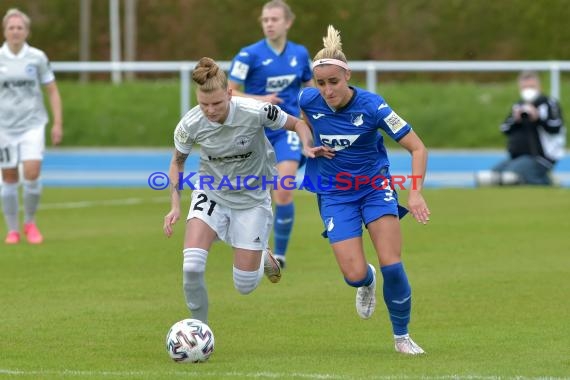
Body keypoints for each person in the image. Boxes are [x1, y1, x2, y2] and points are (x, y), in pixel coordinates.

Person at [298, 26, 430, 355]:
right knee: (354, 274)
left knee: (392, 263)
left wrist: (414, 193)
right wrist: (308, 144)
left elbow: (418, 148)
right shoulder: (307, 99)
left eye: (334, 82)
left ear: (348, 77)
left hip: (374, 188)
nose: (327, 90)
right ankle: (365, 282)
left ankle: (402, 337)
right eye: (321, 83)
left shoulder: (373, 107)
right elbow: (302, 120)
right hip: (334, 192)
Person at [162, 57, 315, 325]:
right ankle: (200, 330)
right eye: (203, 104)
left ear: (230, 94)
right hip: (211, 192)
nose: (209, 110)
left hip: (252, 200)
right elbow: (177, 162)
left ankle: (261, 254)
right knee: (192, 267)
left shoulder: (257, 111)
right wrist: (175, 205)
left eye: (217, 104)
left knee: (245, 286)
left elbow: (298, 124)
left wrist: (305, 146)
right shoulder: (190, 124)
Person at [228, 0, 314, 269]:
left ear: (287, 22)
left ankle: (280, 255)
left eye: (274, 19)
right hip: (254, 132)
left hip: (286, 129)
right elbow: (229, 91)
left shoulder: (300, 54)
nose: (269, 24)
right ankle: (242, 240)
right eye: (265, 20)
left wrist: (313, 125)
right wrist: (261, 98)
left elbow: (310, 92)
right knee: (246, 193)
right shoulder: (248, 55)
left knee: (284, 189)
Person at [0, 8, 63, 244]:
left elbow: (52, 90)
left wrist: (57, 123)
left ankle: (30, 222)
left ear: (26, 31)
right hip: (4, 128)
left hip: (32, 125)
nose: (15, 31)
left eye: (19, 28)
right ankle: (12, 230)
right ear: (5, 31)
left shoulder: (37, 57)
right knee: (8, 177)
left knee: (32, 173)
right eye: (11, 28)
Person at [475, 71, 566, 186]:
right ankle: (535, 178)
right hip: (518, 157)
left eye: (532, 87)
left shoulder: (549, 103)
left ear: (539, 87)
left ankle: (546, 182)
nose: (528, 90)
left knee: (511, 174)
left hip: (540, 157)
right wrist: (516, 119)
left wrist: (537, 118)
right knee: (493, 176)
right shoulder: (518, 105)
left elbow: (556, 128)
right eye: (525, 87)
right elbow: (505, 129)